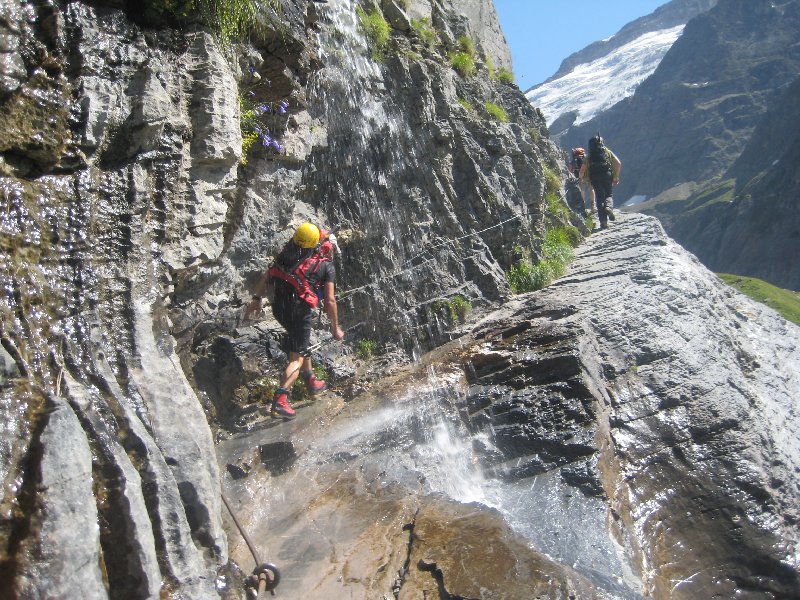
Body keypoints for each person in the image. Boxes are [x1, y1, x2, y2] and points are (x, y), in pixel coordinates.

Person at [245, 222, 345, 419]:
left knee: (301, 344)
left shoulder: (287, 254)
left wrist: (256, 299)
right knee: (296, 358)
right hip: (299, 312)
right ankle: (281, 399)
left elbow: (267, 275)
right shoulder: (325, 265)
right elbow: (330, 301)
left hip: (279, 309)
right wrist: (335, 327)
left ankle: (310, 380)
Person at [579, 134, 621, 230]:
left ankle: (603, 223)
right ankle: (609, 208)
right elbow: (618, 163)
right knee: (608, 195)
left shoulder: (589, 156)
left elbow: (582, 170)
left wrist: (580, 179)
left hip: (594, 177)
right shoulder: (606, 151)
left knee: (599, 198)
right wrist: (616, 176)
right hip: (607, 175)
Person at [571, 147, 596, 216]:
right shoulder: (587, 158)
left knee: (582, 190)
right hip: (589, 176)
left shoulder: (574, 159)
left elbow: (570, 169)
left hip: (580, 177)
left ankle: (583, 207)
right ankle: (593, 207)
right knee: (591, 189)